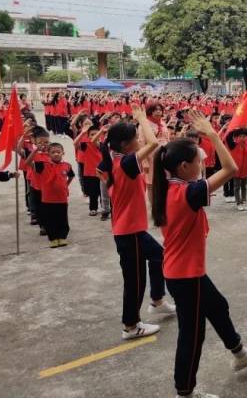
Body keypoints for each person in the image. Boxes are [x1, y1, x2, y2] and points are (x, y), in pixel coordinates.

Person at [151, 110, 247, 398]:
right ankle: (185, 392)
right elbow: (230, 169)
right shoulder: (186, 194)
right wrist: (215, 135)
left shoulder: (169, 188)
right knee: (192, 336)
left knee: (218, 306)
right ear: (182, 167)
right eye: (198, 161)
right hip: (186, 275)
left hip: (185, 272)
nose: (202, 164)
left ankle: (240, 353)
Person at [97, 104, 176, 340]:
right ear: (124, 145)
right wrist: (142, 119)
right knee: (135, 279)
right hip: (128, 231)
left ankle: (157, 300)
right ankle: (130, 325)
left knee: (159, 255)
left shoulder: (114, 158)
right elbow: (153, 144)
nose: (139, 141)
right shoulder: (125, 163)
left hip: (132, 229)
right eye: (135, 139)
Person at [26, 143, 75, 248]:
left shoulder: (67, 165)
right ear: (48, 154)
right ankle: (53, 238)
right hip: (48, 199)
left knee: (62, 218)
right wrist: (35, 151)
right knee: (50, 220)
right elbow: (28, 162)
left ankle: (62, 237)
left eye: (58, 152)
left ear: (63, 153)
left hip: (62, 198)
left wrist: (66, 185)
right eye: (53, 152)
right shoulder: (43, 165)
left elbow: (71, 176)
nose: (56, 154)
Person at [228, 128, 247, 211]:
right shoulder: (233, 145)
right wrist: (234, 129)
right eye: (240, 136)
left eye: (244, 136)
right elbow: (228, 137)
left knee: (244, 187)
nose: (242, 138)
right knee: (237, 187)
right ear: (237, 137)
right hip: (237, 171)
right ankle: (239, 203)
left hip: (245, 170)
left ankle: (244, 201)